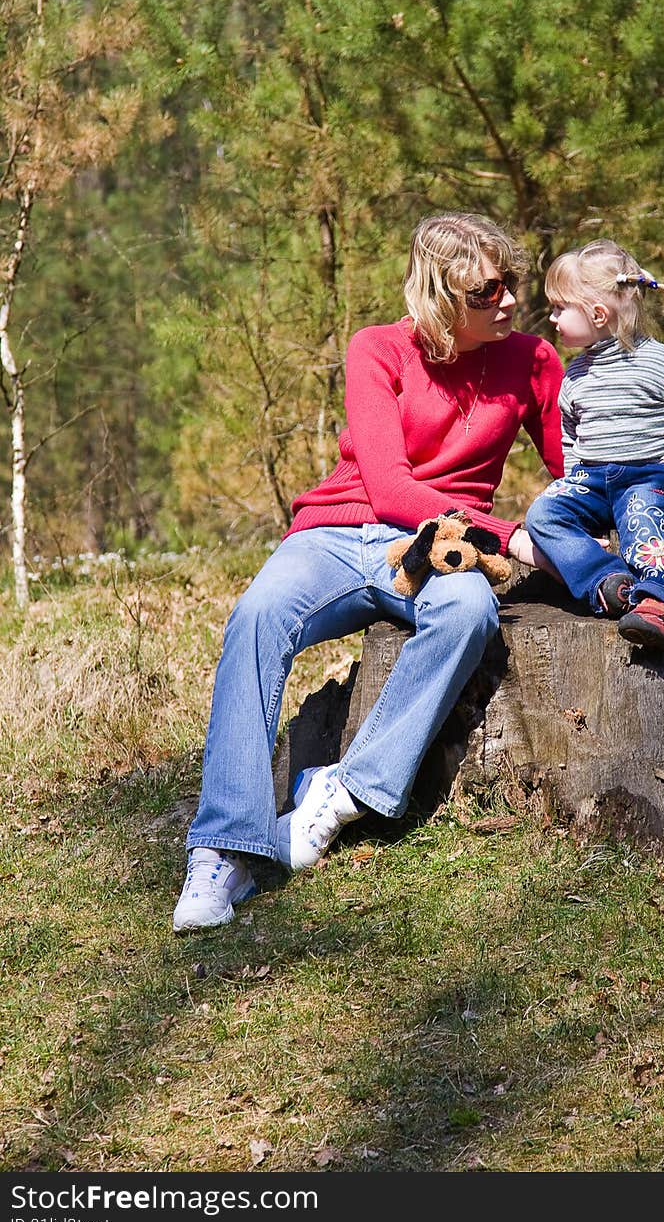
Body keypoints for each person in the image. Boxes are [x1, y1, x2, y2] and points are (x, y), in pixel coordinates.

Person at [173, 212, 565, 932]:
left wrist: (644, 484)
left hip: (440, 544)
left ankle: (344, 791)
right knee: (258, 616)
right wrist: (508, 535)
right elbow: (386, 486)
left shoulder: (532, 360)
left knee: (469, 614)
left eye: (510, 281)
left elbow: (573, 468)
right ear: (442, 294)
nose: (509, 299)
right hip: (339, 531)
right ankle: (224, 848)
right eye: (488, 289)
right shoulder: (377, 348)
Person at [524, 238, 664, 651]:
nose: (553, 319)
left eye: (561, 308)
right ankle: (608, 582)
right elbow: (570, 436)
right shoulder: (575, 375)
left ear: (597, 314)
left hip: (649, 476)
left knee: (643, 522)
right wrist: (573, 478)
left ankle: (660, 603)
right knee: (543, 514)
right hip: (591, 480)